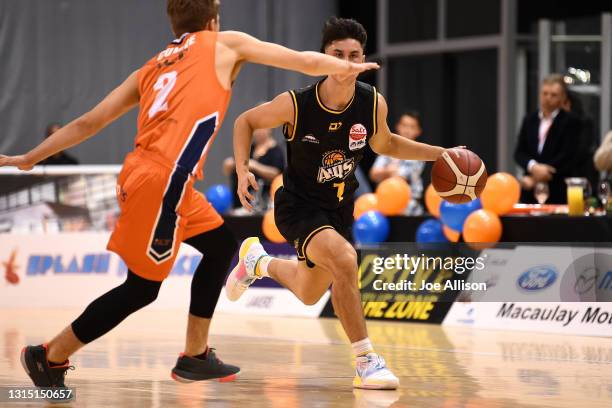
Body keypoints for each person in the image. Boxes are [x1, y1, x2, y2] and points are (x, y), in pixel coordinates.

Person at [0, 0, 378, 390]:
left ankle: (195, 355)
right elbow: (303, 61)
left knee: (219, 246)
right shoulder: (223, 43)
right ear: (213, 20)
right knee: (142, 289)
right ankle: (49, 355)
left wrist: (31, 158)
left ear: (174, 23)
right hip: (161, 181)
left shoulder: (151, 66)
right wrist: (347, 68)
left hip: (164, 180)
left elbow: (89, 122)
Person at [227, 17, 449, 390]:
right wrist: (243, 169)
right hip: (298, 205)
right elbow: (245, 121)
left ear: (364, 59)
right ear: (322, 57)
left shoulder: (371, 102)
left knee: (309, 290)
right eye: (337, 55)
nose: (347, 63)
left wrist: (441, 154)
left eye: (354, 56)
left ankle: (258, 262)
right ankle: (366, 361)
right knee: (346, 259)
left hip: (338, 209)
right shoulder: (296, 105)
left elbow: (387, 144)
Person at [514, 74, 583, 204]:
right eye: (545, 93)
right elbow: (519, 152)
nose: (548, 98)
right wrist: (533, 167)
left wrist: (536, 178)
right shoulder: (530, 119)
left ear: (563, 97)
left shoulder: (571, 121)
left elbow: (568, 156)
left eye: (553, 95)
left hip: (557, 191)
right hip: (530, 193)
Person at [369, 111, 424, 215]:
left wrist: (385, 172)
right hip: (386, 204)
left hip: (410, 207)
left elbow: (399, 177)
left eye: (412, 127)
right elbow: (373, 174)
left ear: (418, 131)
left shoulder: (418, 153)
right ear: (398, 127)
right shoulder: (387, 149)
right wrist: (389, 171)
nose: (407, 130)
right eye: (404, 125)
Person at [223, 127, 284, 210]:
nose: (257, 132)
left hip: (264, 201)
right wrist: (231, 164)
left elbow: (277, 174)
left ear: (269, 129)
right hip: (241, 203)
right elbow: (229, 167)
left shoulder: (276, 151)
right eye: (254, 129)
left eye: (260, 128)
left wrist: (255, 166)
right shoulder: (249, 148)